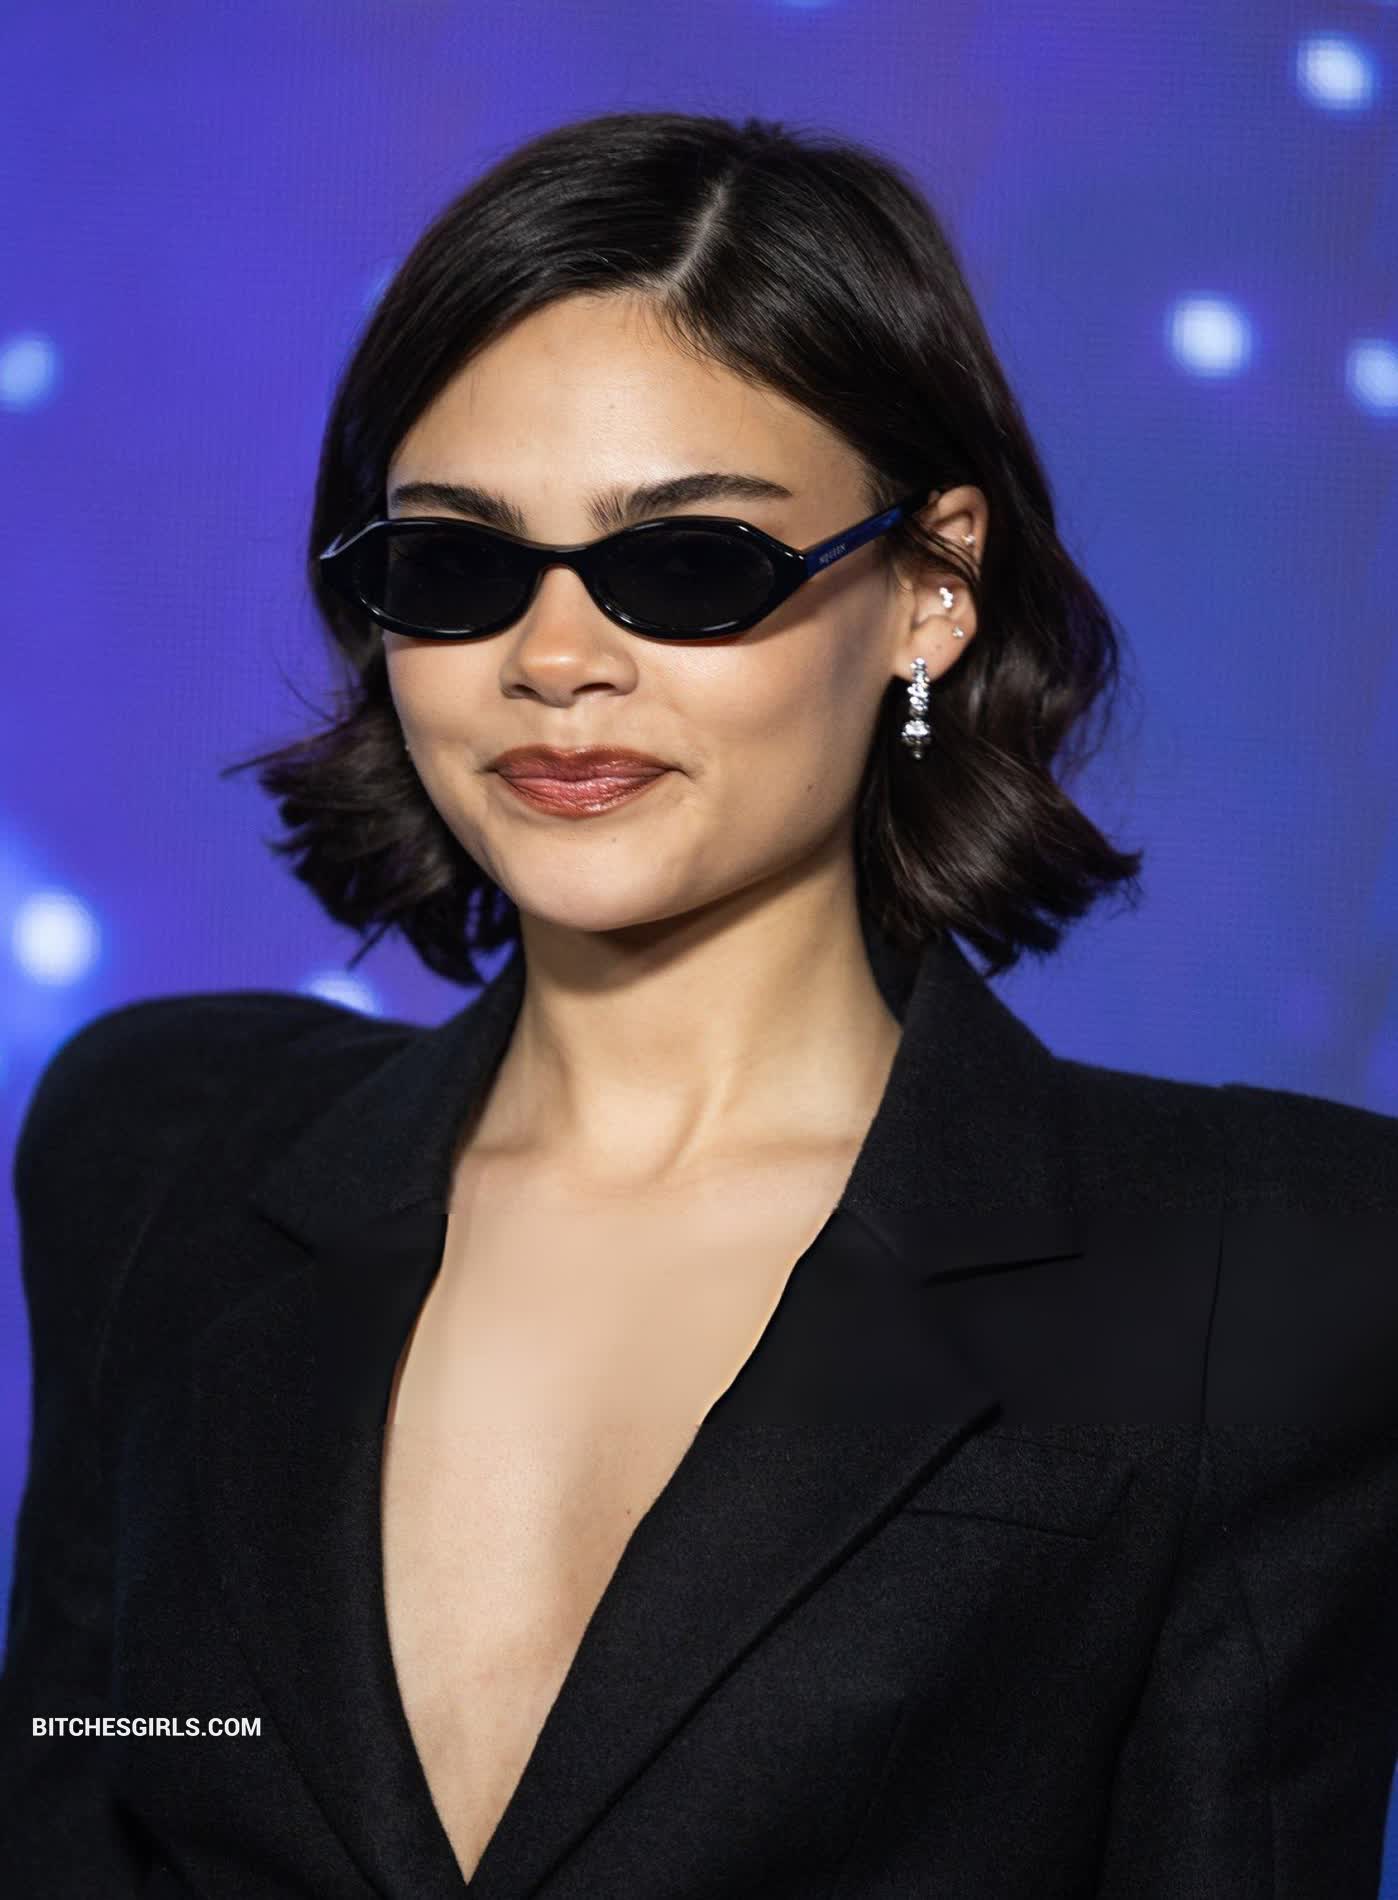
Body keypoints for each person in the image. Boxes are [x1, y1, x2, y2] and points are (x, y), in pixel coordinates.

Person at [2, 107, 1396, 1900]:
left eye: (687, 565)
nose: (554, 662)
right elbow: (87, 1768)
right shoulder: (160, 1151)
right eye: (456, 564)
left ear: (931, 589)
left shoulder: (1261, 1264)